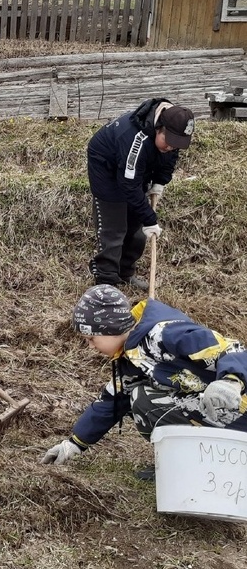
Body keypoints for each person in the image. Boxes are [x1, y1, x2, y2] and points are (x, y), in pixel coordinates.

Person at [41, 284, 247, 469]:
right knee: (138, 398)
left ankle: (212, 462)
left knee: (144, 401)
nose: (91, 346)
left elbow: (230, 348)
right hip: (209, 408)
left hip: (237, 405)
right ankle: (187, 464)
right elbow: (112, 400)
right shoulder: (131, 356)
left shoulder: (164, 333)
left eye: (91, 338)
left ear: (110, 328)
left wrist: (231, 382)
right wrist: (74, 443)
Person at [86, 98, 195, 290]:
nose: (170, 147)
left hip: (133, 167)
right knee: (114, 227)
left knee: (136, 228)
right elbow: (129, 185)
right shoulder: (135, 139)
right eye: (168, 142)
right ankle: (106, 280)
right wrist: (150, 218)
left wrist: (160, 181)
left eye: (176, 144)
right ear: (158, 128)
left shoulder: (172, 132)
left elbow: (170, 156)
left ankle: (125, 273)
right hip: (106, 165)